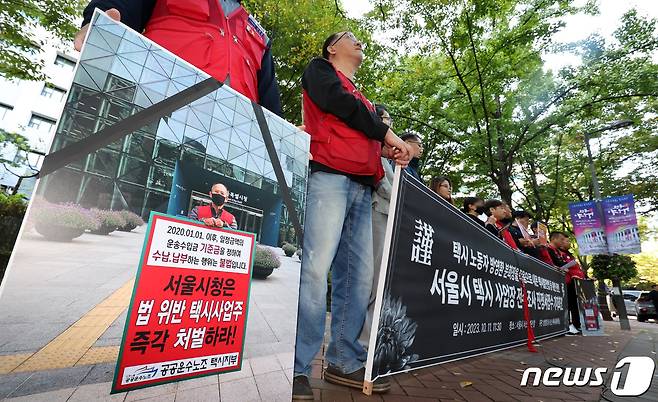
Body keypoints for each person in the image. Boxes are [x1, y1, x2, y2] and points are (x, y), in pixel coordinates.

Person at [292, 32, 411, 400]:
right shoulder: (320, 71)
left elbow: (362, 124)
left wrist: (386, 149)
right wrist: (387, 132)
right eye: (351, 39)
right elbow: (339, 104)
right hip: (329, 177)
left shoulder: (365, 98)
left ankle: (344, 359)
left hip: (364, 186)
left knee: (359, 278)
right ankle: (297, 366)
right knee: (315, 270)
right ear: (331, 48)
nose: (360, 43)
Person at [76, 0, 282, 115]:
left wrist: (288, 143)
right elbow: (118, 6)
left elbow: (271, 107)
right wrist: (97, 21)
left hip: (233, 138)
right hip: (155, 110)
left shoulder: (259, 35)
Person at [359, 104, 395, 349]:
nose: (389, 126)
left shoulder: (389, 157)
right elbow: (383, 185)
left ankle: (368, 339)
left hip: (385, 217)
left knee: (377, 281)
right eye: (386, 120)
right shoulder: (372, 150)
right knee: (370, 281)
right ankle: (361, 342)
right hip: (376, 215)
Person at [547, 231, 585, 335]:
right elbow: (556, 263)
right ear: (554, 239)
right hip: (562, 281)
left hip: (570, 281)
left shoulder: (560, 252)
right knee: (566, 304)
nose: (563, 242)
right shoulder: (549, 249)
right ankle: (566, 325)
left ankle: (575, 325)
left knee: (573, 304)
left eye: (565, 240)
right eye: (562, 240)